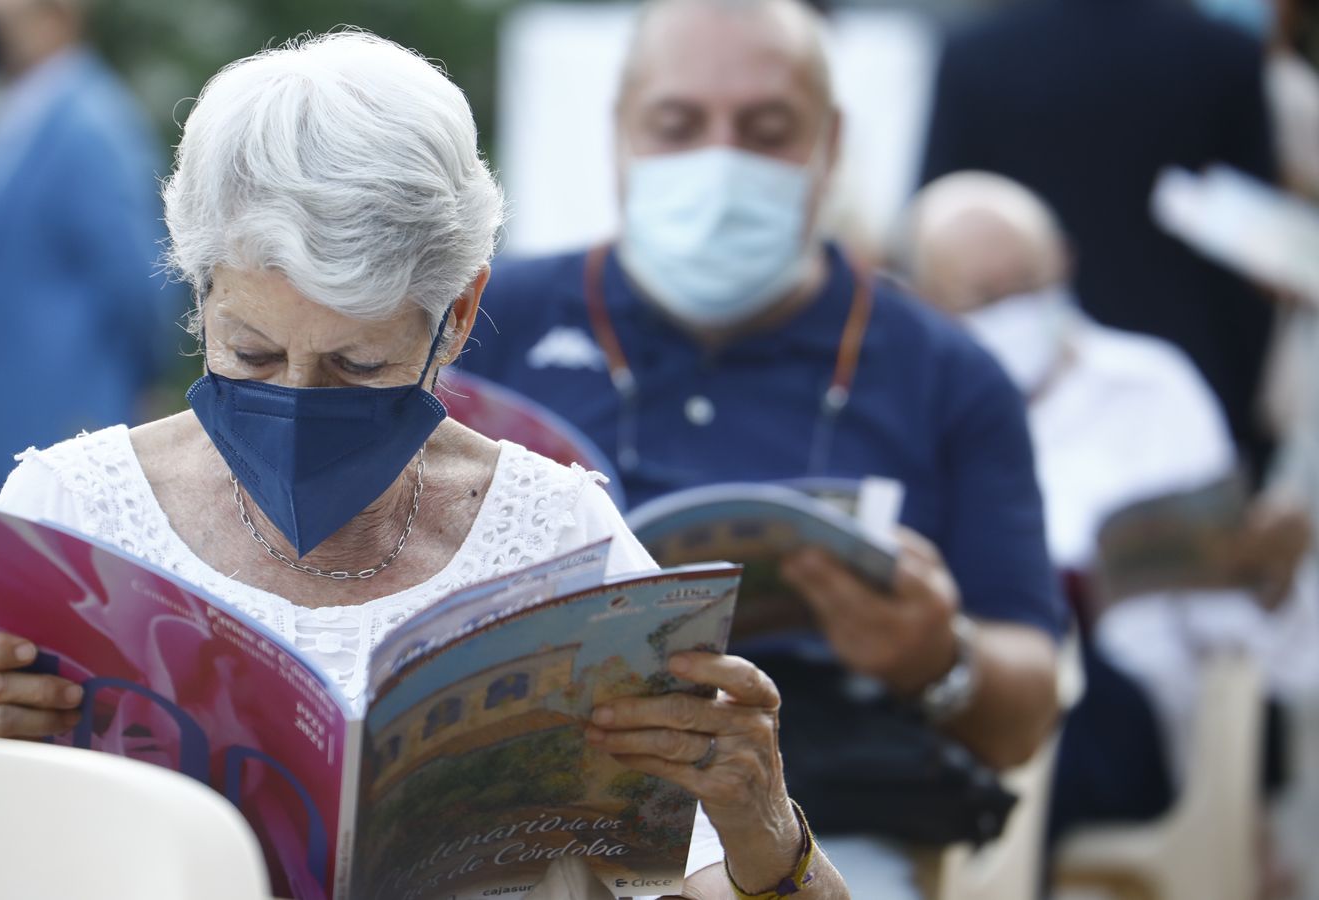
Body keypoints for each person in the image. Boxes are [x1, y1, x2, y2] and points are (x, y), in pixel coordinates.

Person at [0, 32, 851, 900]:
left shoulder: (557, 535)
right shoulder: (71, 515)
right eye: (252, 355)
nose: (300, 401)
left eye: (359, 367)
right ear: (201, 291)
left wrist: (764, 829)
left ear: (460, 315)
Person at [459, 0, 1061, 893]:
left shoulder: (947, 374)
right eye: (679, 123)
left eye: (766, 128)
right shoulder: (486, 324)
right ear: (619, 130)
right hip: (524, 823)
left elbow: (1026, 713)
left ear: (832, 142)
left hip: (826, 823)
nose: (720, 159)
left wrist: (940, 657)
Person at [903, 171, 1319, 885]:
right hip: (947, 695)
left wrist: (1268, 578)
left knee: (1035, 711)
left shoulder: (1152, 390)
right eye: (984, 299)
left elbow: (1273, 657)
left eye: (1026, 286)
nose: (1014, 314)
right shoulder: (905, 414)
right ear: (926, 306)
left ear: (1063, 261)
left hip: (1120, 720)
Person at [920, 0, 1281, 475]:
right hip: (1196, 377)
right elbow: (1259, 257)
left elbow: (936, 222)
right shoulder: (1223, 52)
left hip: (1035, 386)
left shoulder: (978, 55)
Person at [0, 0, 180, 512]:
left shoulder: (91, 126)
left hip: (59, 423)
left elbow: (140, 282)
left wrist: (143, 383)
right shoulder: (22, 111)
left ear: (57, 14)